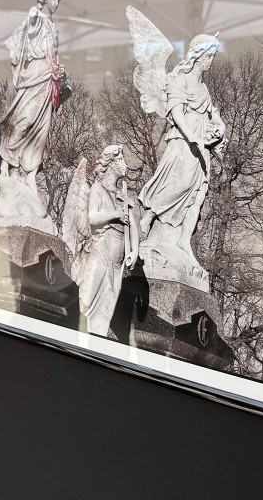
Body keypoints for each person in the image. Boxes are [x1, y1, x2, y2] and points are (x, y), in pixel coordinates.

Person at [138, 33, 226, 279]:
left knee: (198, 195)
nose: (210, 61)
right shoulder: (179, 80)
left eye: (212, 56)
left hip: (202, 148)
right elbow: (176, 112)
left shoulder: (203, 88)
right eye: (208, 55)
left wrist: (219, 126)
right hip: (183, 143)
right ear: (197, 55)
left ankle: (183, 243)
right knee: (179, 183)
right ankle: (150, 215)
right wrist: (193, 137)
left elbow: (212, 114)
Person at [0, 0, 65, 198]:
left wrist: (61, 75)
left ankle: (28, 173)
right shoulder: (38, 18)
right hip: (35, 77)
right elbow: (28, 31)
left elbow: (54, 56)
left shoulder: (53, 27)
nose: (57, 2)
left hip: (48, 82)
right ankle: (6, 165)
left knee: (41, 131)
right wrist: (34, 14)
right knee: (24, 120)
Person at [76, 146, 137, 338]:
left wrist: (134, 250)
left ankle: (98, 339)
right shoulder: (98, 188)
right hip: (102, 248)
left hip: (118, 260)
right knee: (88, 297)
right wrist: (115, 215)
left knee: (108, 302)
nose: (125, 165)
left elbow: (133, 225)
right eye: (121, 161)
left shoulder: (123, 195)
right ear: (110, 163)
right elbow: (92, 218)